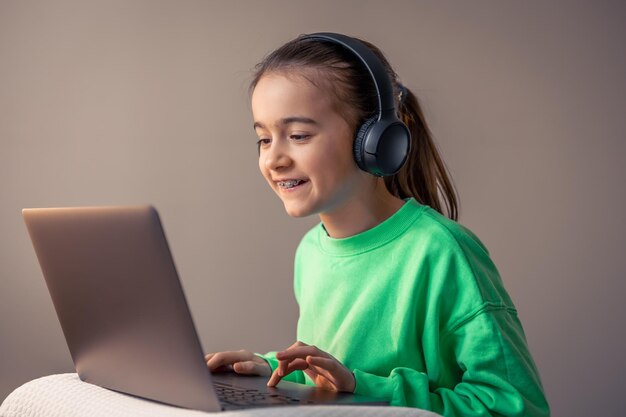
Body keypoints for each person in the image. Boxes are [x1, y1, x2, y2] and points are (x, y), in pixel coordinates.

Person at [205, 32, 550, 417]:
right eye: (264, 140)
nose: (274, 159)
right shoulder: (311, 252)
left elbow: (517, 408)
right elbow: (335, 380)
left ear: (374, 140)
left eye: (298, 135)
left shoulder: (443, 252)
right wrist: (271, 369)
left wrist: (360, 388)